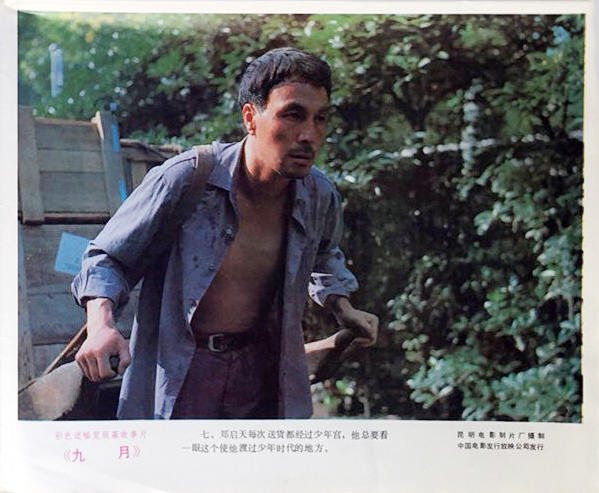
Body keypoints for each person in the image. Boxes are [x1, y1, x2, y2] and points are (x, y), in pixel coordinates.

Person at [71, 47, 378, 419]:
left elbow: (324, 255)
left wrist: (342, 307)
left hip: (262, 375)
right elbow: (106, 257)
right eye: (293, 114)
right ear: (251, 117)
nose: (309, 134)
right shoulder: (188, 178)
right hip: (182, 371)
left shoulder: (318, 195)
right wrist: (100, 326)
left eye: (321, 118)